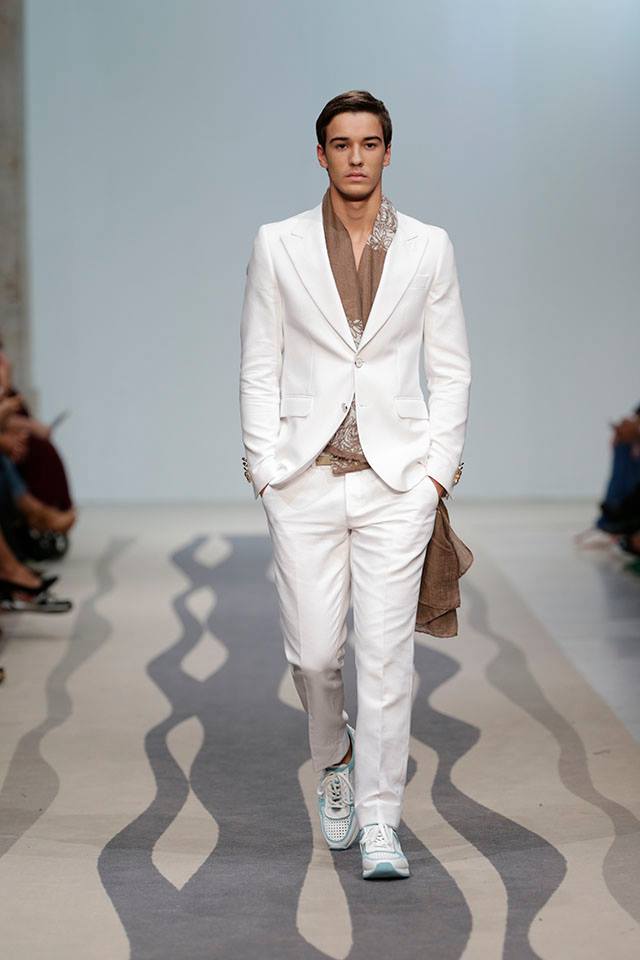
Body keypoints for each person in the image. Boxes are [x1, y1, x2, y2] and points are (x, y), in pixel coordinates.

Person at [239, 90, 471, 880]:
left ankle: (380, 819)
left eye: (370, 143)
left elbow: (450, 365)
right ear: (321, 155)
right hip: (304, 479)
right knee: (313, 656)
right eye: (341, 144)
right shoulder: (278, 243)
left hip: (396, 483)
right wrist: (265, 469)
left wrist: (436, 472)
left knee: (385, 658)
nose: (356, 157)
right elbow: (259, 361)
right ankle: (333, 755)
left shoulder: (429, 246)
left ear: (388, 152)